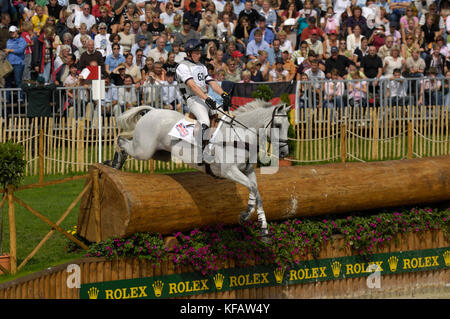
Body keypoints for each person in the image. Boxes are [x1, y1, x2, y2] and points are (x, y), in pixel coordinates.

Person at [175, 39, 230, 163]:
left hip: (203, 96)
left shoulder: (201, 66)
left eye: (200, 52)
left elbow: (212, 82)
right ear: (189, 53)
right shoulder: (182, 66)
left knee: (221, 116)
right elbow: (193, 86)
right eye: (196, 52)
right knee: (204, 121)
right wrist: (207, 99)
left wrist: (223, 94)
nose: (199, 55)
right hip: (191, 98)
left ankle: (212, 146)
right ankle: (200, 153)